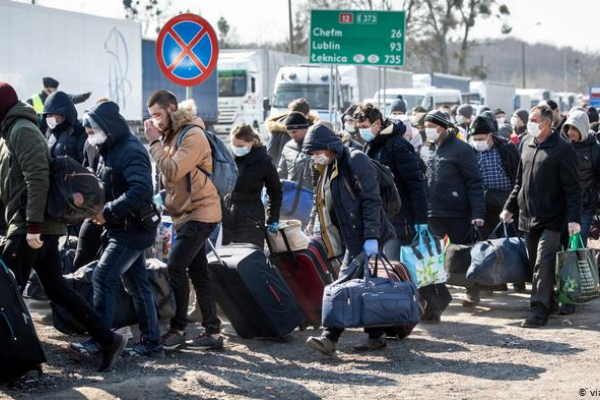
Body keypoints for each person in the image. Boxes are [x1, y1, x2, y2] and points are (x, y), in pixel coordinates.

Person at [0, 82, 125, 372]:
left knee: (5, 294)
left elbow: (38, 179)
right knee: (57, 290)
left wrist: (32, 226)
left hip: (33, 227)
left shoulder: (22, 130)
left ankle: (21, 363)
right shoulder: (9, 134)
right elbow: (10, 187)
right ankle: (108, 339)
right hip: (32, 225)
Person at [69, 100, 163, 358]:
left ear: (106, 128)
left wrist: (107, 212)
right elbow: (103, 182)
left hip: (132, 229)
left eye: (91, 132)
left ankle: (102, 340)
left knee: (103, 277)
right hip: (120, 227)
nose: (89, 138)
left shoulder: (130, 150)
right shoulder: (106, 148)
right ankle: (151, 343)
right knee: (137, 285)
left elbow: (141, 190)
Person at [302, 124, 396, 355]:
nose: (316, 157)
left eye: (318, 152)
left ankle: (330, 337)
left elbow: (371, 201)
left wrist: (371, 238)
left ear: (331, 147)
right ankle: (377, 334)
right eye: (313, 153)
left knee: (343, 286)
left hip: (367, 237)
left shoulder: (356, 161)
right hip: (351, 236)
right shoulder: (328, 167)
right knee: (367, 285)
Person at [144, 90, 223, 351]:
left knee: (176, 266)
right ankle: (212, 331)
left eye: (157, 114)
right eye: (151, 116)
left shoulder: (193, 134)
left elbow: (173, 169)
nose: (155, 121)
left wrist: (154, 143)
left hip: (202, 211)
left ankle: (178, 328)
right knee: (198, 271)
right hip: (184, 213)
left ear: (171, 108)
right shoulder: (172, 135)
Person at [501, 105, 581, 328]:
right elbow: (519, 182)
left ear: (547, 124)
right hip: (527, 217)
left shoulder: (563, 149)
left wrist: (574, 218)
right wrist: (509, 207)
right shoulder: (527, 143)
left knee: (542, 264)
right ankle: (551, 300)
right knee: (535, 262)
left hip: (552, 219)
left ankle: (538, 311)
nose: (530, 123)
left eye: (535, 120)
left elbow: (573, 189)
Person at [421, 110, 485, 317]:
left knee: (464, 255)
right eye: (426, 126)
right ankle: (434, 303)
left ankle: (472, 289)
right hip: (432, 213)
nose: (428, 130)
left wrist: (478, 212)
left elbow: (474, 182)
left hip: (458, 212)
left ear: (443, 127)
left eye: (432, 126)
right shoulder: (425, 149)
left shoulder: (462, 150)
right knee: (430, 258)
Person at [464, 115, 520, 306]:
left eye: (482, 138)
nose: (478, 142)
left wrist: (514, 202)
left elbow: (517, 173)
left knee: (510, 239)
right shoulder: (470, 151)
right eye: (475, 138)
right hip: (483, 200)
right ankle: (492, 281)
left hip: (506, 198)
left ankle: (517, 277)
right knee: (487, 241)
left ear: (490, 135)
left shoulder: (505, 148)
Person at [353, 104, 428, 244]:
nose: (361, 131)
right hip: (379, 219)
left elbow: (416, 184)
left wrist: (421, 219)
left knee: (394, 264)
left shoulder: (397, 145)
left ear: (377, 124)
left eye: (364, 126)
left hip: (400, 220)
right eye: (359, 127)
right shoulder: (370, 145)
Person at [223, 123, 281, 247]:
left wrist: (273, 220)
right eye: (234, 145)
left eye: (240, 146)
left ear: (251, 142)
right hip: (228, 212)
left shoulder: (263, 162)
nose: (236, 148)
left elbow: (275, 192)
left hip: (251, 215)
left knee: (249, 255)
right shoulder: (229, 158)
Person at [563, 110, 600, 244]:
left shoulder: (595, 149)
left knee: (578, 245)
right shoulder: (564, 146)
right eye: (568, 128)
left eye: (574, 128)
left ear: (583, 128)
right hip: (564, 205)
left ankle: (578, 265)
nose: (570, 132)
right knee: (563, 245)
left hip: (585, 206)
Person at [266, 98, 318, 167]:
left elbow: (271, 153)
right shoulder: (314, 128)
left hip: (282, 171)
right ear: (307, 114)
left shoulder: (278, 127)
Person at [41, 91, 87, 163]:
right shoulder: (50, 133)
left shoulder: (79, 131)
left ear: (63, 114)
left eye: (51, 115)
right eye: (46, 115)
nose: (48, 118)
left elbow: (85, 163)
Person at [27, 77, 91, 114]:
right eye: (54, 89)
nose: (55, 91)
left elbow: (70, 98)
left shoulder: (56, 98)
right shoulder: (32, 100)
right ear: (46, 89)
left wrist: (82, 97)